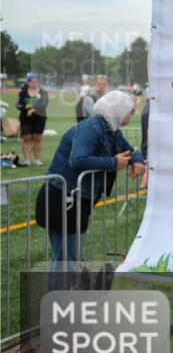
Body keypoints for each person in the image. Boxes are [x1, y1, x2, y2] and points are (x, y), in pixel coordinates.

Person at [35, 91, 145, 265]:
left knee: (72, 256)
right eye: (130, 111)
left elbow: (132, 150)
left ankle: (68, 290)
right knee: (66, 258)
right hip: (62, 196)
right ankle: (63, 292)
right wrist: (113, 162)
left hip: (77, 198)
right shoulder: (91, 127)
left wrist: (137, 161)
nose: (132, 115)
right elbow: (77, 159)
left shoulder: (112, 130)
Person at [17, 73, 49, 166]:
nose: (35, 83)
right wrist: (25, 107)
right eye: (33, 81)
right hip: (25, 118)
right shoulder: (23, 93)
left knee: (37, 139)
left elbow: (44, 104)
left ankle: (37, 160)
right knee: (26, 138)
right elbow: (18, 105)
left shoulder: (43, 92)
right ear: (28, 82)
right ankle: (26, 160)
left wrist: (34, 110)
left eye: (36, 81)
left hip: (39, 118)